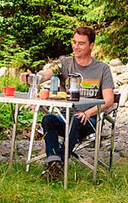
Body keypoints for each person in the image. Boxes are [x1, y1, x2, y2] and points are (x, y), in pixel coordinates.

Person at [38, 26, 115, 182]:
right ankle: (54, 163)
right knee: (48, 119)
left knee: (77, 119)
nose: (76, 46)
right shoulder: (64, 64)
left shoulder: (102, 69)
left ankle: (58, 165)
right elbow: (47, 74)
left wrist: (88, 113)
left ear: (91, 45)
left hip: (90, 120)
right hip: (65, 117)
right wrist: (35, 78)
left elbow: (109, 100)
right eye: (74, 42)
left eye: (81, 43)